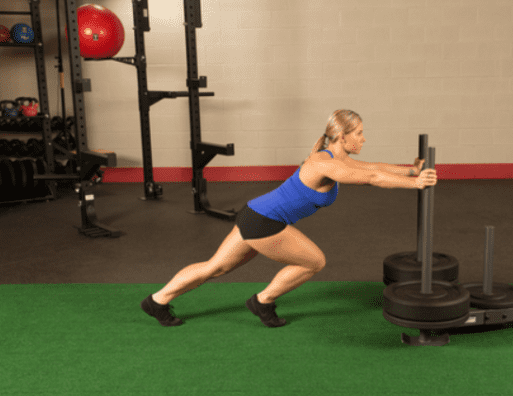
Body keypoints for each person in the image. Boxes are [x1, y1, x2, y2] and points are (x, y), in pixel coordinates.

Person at [141, 109, 438, 327]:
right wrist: (415, 184)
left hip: (256, 212)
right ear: (343, 136)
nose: (363, 138)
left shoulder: (335, 156)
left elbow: (371, 166)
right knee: (314, 261)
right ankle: (263, 300)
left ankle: (157, 300)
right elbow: (371, 178)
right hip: (264, 221)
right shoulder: (324, 163)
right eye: (359, 133)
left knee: (215, 267)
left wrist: (409, 171)